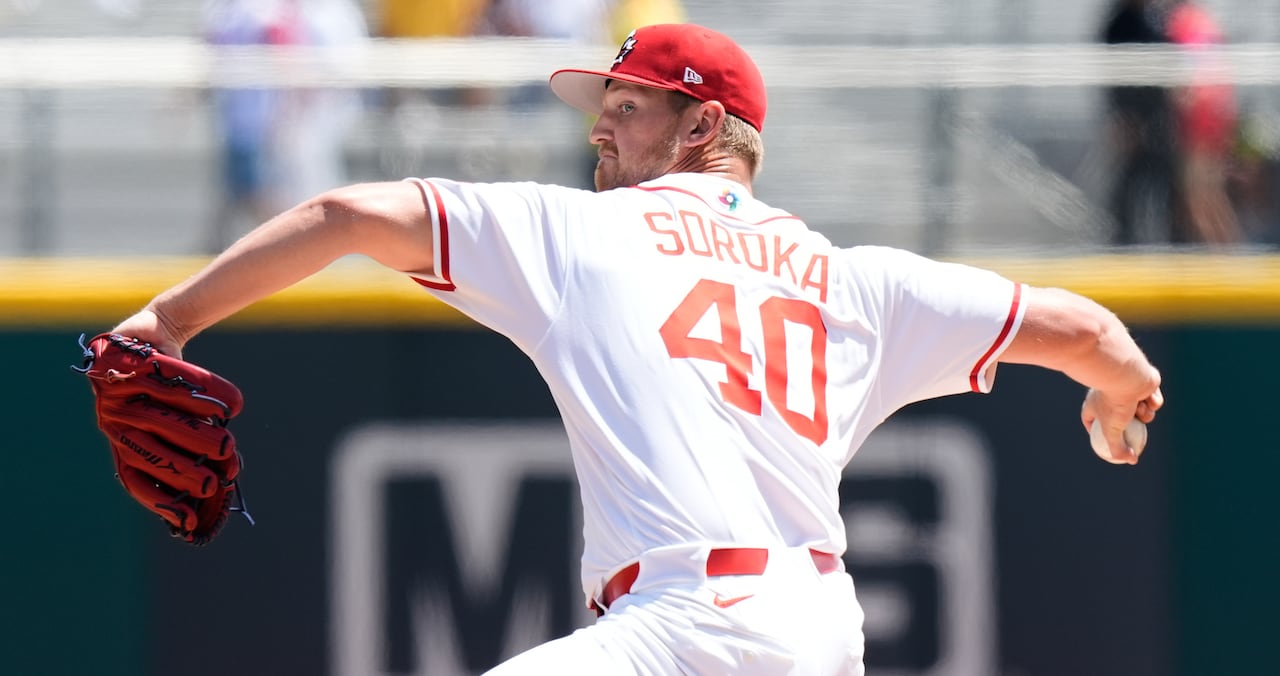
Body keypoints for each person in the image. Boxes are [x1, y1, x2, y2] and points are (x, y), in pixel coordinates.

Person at [107, 23, 1164, 674]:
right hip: (819, 630)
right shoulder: (856, 282)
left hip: (687, 627)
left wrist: (172, 320)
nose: (598, 130)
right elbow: (1080, 330)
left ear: (699, 128)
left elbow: (343, 212)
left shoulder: (581, 232)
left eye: (623, 107)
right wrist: (1119, 392)